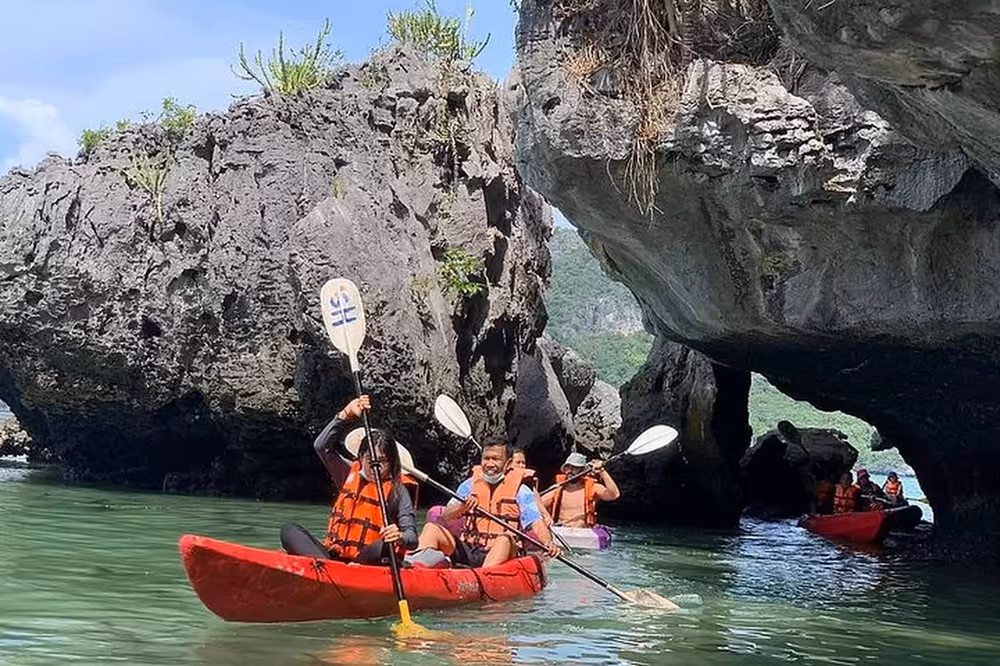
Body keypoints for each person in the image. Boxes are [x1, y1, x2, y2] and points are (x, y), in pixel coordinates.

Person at [280, 395, 418, 564]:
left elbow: (412, 538)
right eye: (370, 460)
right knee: (289, 531)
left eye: (382, 462)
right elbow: (321, 446)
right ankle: (328, 569)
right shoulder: (347, 473)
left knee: (384, 547)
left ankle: (332, 571)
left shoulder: (398, 491)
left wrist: (400, 537)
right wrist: (346, 414)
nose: (375, 467)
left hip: (368, 560)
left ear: (391, 463)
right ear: (360, 457)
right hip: (333, 557)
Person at [407, 441, 561, 568]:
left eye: (495, 459)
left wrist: (548, 543)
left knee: (505, 538)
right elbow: (445, 517)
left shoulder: (521, 490)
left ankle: (484, 577)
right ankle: (412, 568)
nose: (490, 464)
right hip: (469, 548)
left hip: (501, 551)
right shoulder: (468, 486)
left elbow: (536, 523)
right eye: (486, 459)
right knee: (431, 528)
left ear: (508, 464)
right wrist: (462, 507)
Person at [542, 452, 620, 527]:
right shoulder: (557, 490)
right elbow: (537, 504)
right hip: (562, 530)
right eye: (567, 467)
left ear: (582, 470)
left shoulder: (593, 487)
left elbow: (614, 495)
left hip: (584, 532)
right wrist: (546, 516)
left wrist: (602, 472)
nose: (570, 470)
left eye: (574, 467)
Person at [511, 447, 555, 527]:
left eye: (523, 463)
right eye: (518, 463)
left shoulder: (527, 484)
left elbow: (536, 500)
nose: (521, 466)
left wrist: (546, 516)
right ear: (509, 463)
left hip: (523, 523)